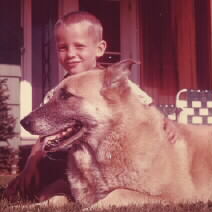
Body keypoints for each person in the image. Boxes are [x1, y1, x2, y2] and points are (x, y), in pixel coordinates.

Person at [5, 11, 177, 202]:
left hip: (108, 159)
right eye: (63, 47)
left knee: (56, 185)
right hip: (68, 157)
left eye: (79, 46)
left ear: (100, 48)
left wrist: (167, 122)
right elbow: (45, 136)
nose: (71, 54)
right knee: (41, 178)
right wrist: (31, 163)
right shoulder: (59, 90)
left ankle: (59, 190)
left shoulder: (114, 83)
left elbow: (148, 107)